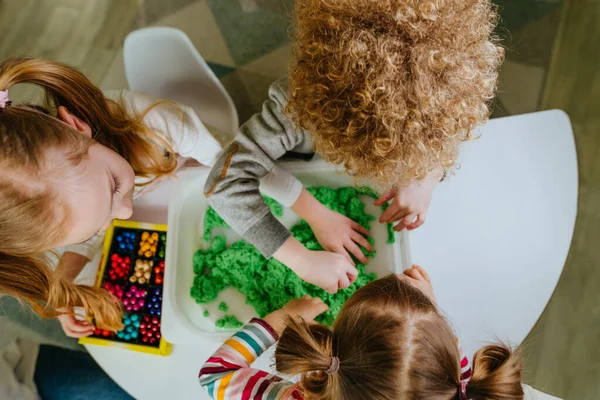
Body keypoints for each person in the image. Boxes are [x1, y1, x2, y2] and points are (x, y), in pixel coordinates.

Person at [204, 0, 504, 294]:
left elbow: (448, 132)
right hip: (293, 162)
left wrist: (426, 176)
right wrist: (301, 259)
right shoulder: (297, 106)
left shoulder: (449, 89)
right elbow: (225, 182)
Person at [0, 57, 294, 336]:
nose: (126, 212)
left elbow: (236, 169)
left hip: (211, 159)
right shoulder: (87, 184)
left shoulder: (153, 121)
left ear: (76, 127)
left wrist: (308, 215)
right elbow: (90, 218)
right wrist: (66, 281)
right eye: (102, 222)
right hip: (169, 193)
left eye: (115, 186)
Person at [198, 266, 524, 399]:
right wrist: (428, 314)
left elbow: (215, 375)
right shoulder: (462, 390)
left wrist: (280, 320)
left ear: (331, 347)